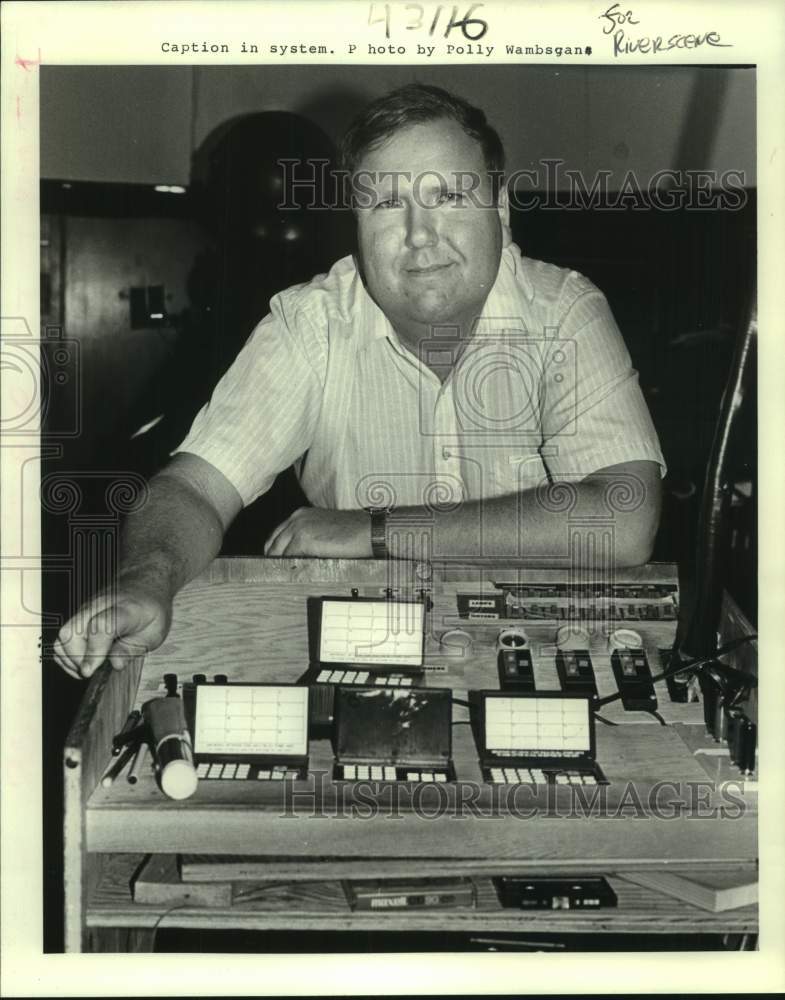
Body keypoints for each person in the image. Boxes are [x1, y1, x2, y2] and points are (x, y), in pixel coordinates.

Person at [54, 84, 664, 680]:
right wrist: (145, 581)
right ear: (356, 221)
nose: (420, 235)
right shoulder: (310, 324)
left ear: (500, 211)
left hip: (548, 657)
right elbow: (193, 488)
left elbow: (625, 517)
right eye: (386, 204)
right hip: (365, 657)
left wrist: (375, 531)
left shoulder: (564, 310)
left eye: (450, 196)